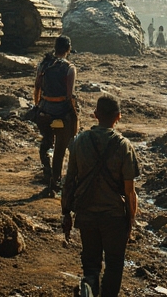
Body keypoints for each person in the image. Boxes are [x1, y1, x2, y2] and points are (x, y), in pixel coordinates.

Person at [61, 94, 140, 297]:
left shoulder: (78, 142)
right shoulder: (124, 146)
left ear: (95, 114)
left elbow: (69, 181)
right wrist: (130, 220)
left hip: (86, 213)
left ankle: (89, 284)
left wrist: (66, 213)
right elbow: (130, 192)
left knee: (91, 261)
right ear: (119, 117)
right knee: (114, 263)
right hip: (113, 217)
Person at [33, 35, 78, 196]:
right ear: (68, 49)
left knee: (46, 143)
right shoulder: (69, 68)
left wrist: (38, 107)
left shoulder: (43, 64)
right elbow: (69, 95)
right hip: (62, 113)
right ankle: (55, 182)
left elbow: (37, 87)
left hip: (44, 112)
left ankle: (47, 172)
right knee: (60, 150)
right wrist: (74, 117)